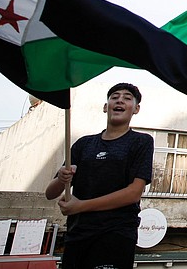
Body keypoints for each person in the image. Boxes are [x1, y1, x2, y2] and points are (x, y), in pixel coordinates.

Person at [45, 83, 154, 269]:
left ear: (136, 109)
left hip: (115, 234)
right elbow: (50, 193)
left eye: (127, 98)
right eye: (114, 97)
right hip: (77, 233)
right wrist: (62, 179)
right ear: (106, 106)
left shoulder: (141, 142)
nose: (120, 100)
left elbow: (134, 193)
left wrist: (80, 206)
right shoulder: (84, 144)